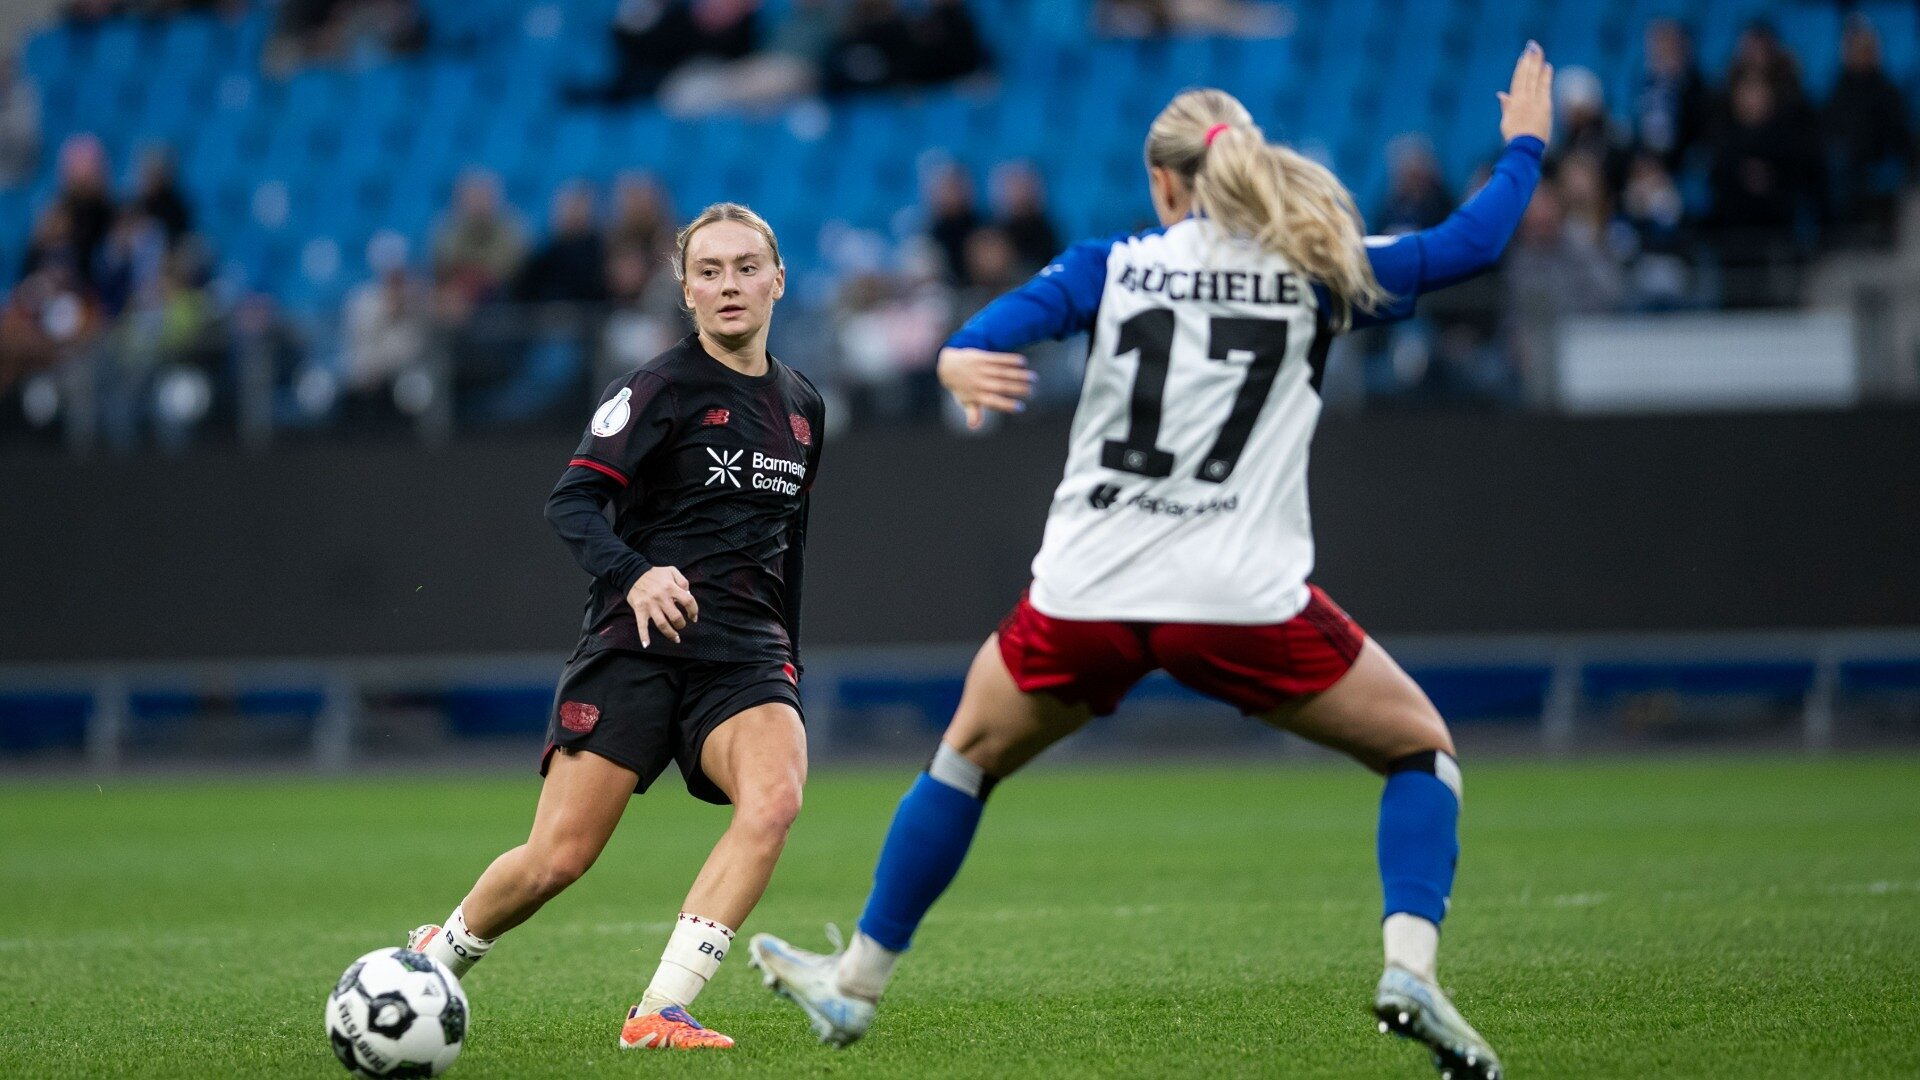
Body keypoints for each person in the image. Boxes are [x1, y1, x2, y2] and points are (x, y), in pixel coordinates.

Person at [750, 43, 1555, 1080]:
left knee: (964, 757)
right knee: (1420, 753)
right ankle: (1410, 968)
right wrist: (1525, 144)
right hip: (1242, 599)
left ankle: (857, 981)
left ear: (1164, 182)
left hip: (1087, 593)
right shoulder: (1320, 266)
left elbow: (992, 331)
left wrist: (958, 356)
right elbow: (1472, 243)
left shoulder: (1112, 265)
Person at [405, 203, 827, 1052]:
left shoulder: (804, 406)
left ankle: (661, 1010)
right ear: (686, 292)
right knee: (557, 858)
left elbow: (793, 548)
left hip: (744, 656)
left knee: (775, 800)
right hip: (635, 647)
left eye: (747, 267)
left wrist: (789, 656)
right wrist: (637, 574)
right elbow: (572, 501)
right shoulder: (658, 389)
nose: (729, 284)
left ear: (778, 279)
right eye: (708, 271)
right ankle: (435, 955)